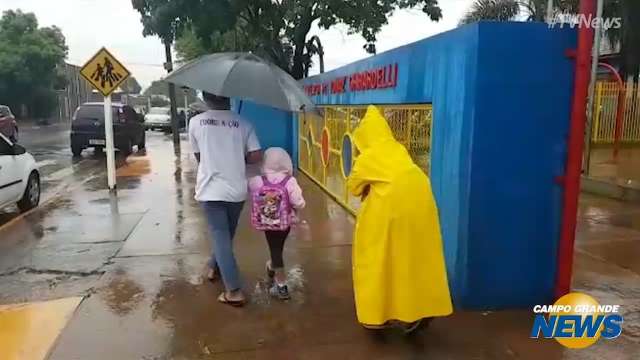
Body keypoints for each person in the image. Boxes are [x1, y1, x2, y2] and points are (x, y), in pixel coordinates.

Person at [347, 105, 453, 332]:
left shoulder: (368, 157)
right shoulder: (397, 148)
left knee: (378, 258)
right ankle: (421, 307)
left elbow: (353, 187)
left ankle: (377, 313)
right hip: (422, 198)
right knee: (415, 257)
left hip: (392, 210)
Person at [189, 92, 262, 307]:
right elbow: (257, 154)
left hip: (210, 190)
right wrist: (237, 156)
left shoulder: (195, 122)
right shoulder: (243, 123)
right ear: (228, 97)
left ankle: (234, 291)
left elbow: (199, 157)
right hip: (236, 190)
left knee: (221, 235)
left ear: (205, 96)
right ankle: (214, 266)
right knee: (225, 234)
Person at [248, 147, 305, 300]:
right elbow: (298, 203)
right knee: (277, 248)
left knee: (275, 249)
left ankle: (281, 286)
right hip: (285, 224)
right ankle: (274, 268)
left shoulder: (259, 180)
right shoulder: (290, 181)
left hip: (267, 223)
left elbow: (249, 188)